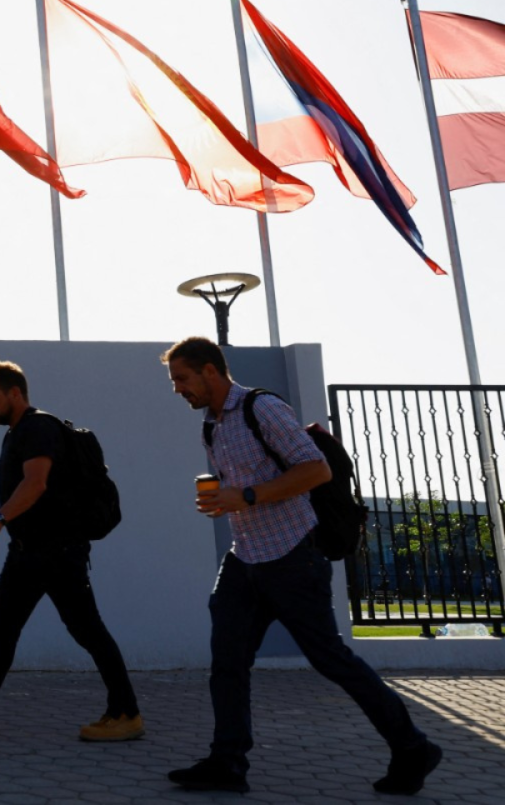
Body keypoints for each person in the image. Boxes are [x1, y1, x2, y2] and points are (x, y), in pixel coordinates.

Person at [161, 336, 441, 795]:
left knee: (331, 660)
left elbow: (315, 470)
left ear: (210, 371)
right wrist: (225, 498)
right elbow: (242, 485)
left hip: (293, 555)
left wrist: (247, 495)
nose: (177, 389)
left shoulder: (261, 408)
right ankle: (227, 762)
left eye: (182, 378)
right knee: (227, 662)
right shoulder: (211, 424)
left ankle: (413, 747)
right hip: (244, 556)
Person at [0, 361, 143, 742]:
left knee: (87, 631)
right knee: (3, 629)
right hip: (29, 551)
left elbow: (36, 484)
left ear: (14, 394)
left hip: (55, 552)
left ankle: (126, 713)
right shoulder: (18, 432)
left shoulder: (37, 428)